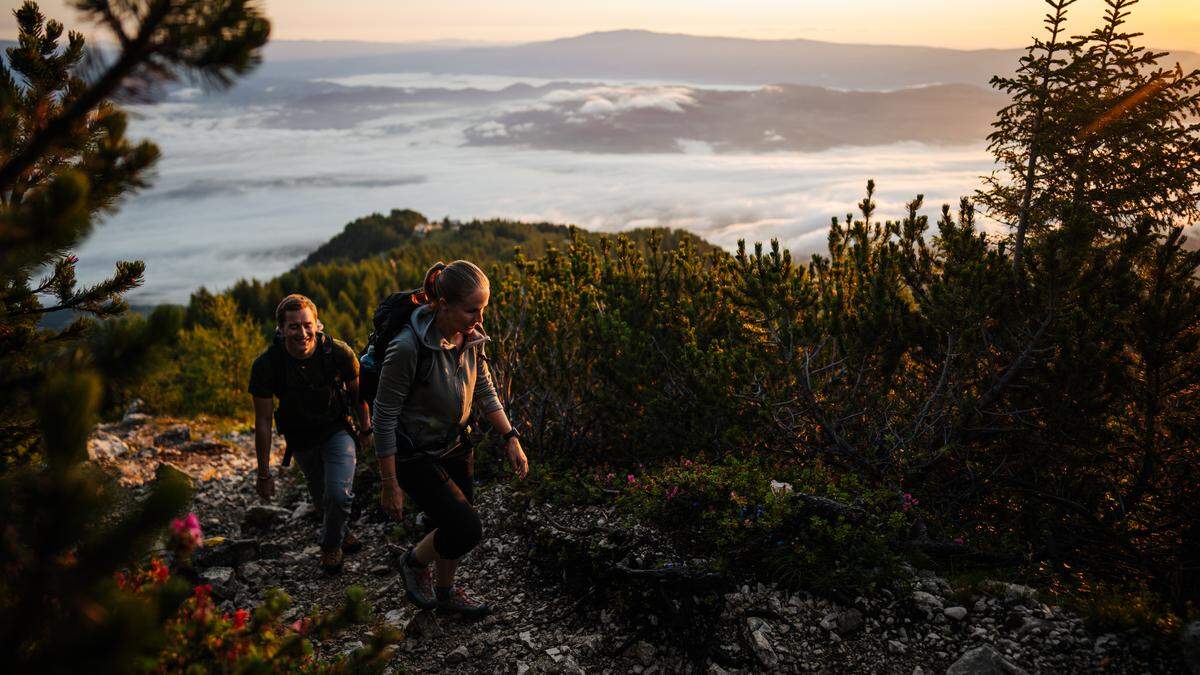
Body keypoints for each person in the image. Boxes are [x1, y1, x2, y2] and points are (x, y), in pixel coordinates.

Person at [374, 260, 528, 618]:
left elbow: (486, 390)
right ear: (443, 304)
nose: (480, 317)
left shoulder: (470, 337)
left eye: (484, 308)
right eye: (472, 309)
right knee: (465, 528)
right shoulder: (408, 347)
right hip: (415, 456)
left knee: (453, 529)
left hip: (457, 446)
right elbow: (384, 417)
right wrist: (389, 482)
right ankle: (413, 562)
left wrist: (510, 437)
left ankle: (445, 595)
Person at [248, 294, 373, 574]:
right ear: (280, 329)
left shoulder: (338, 353)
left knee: (338, 494)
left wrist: (366, 429)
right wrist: (263, 473)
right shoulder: (267, 365)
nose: (302, 333)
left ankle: (330, 546)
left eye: (307, 325)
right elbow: (264, 421)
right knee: (321, 497)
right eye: (293, 326)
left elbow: (358, 395)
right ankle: (340, 531)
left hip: (337, 430)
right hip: (300, 438)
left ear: (318, 325)